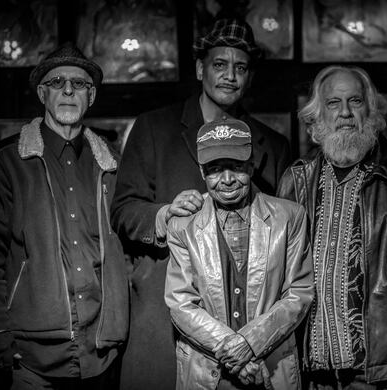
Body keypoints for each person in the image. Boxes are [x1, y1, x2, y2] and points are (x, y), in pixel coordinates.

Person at [111, 17, 291, 390]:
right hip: (166, 320)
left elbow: (285, 241)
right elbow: (123, 209)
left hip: (245, 331)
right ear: (199, 68)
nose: (230, 76)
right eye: (219, 65)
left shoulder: (272, 146)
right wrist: (163, 215)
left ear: (250, 76)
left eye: (240, 67)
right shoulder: (154, 128)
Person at [277, 65, 387, 390]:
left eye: (355, 101)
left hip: (384, 376)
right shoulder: (295, 181)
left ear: (371, 110)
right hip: (311, 375)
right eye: (333, 103)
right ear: (316, 116)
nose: (344, 112)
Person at [0, 43, 129, 389]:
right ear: (42, 93)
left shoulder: (113, 165)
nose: (67, 90)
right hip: (30, 357)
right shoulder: (7, 161)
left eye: (78, 84)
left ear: (90, 96)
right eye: (57, 81)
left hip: (101, 351)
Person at [165, 118, 313, 389]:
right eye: (215, 169)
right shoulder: (182, 225)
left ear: (251, 164)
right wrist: (235, 352)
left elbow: (298, 295)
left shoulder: (290, 217)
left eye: (236, 167)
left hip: (271, 370)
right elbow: (181, 304)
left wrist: (250, 343)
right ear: (201, 172)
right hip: (206, 373)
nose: (227, 179)